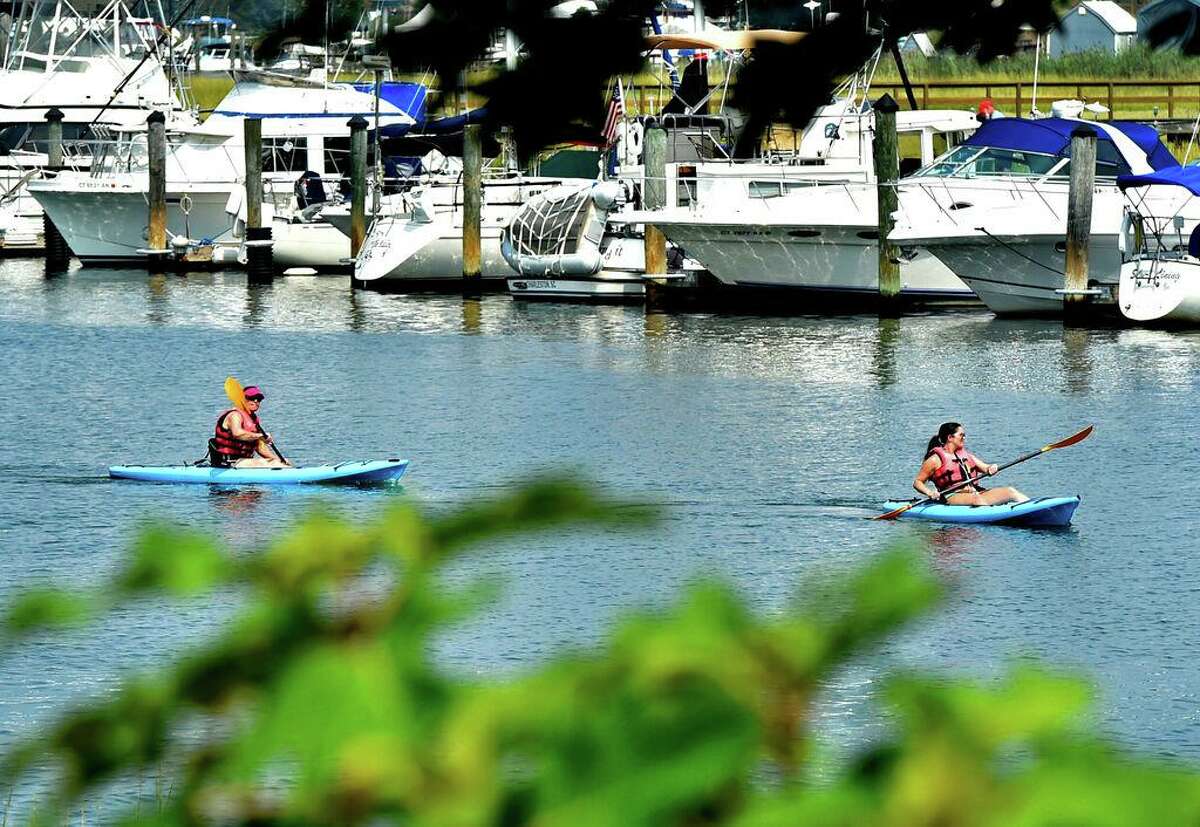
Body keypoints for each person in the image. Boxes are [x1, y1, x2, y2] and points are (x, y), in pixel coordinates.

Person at [913, 422, 1027, 506]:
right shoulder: (935, 460)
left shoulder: (966, 456)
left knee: (1010, 491)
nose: (964, 438)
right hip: (952, 496)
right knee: (977, 500)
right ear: (950, 437)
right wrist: (930, 493)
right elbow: (917, 482)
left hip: (976, 492)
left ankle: (1031, 507)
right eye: (961, 435)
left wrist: (992, 467)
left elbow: (986, 468)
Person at [209, 385, 290, 468]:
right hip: (227, 463)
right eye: (251, 398)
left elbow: (260, 447)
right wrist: (261, 435)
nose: (255, 401)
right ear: (243, 400)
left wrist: (278, 460)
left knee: (278, 462)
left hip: (244, 462)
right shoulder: (235, 415)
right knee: (273, 464)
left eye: (258, 399)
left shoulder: (254, 420)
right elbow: (237, 433)